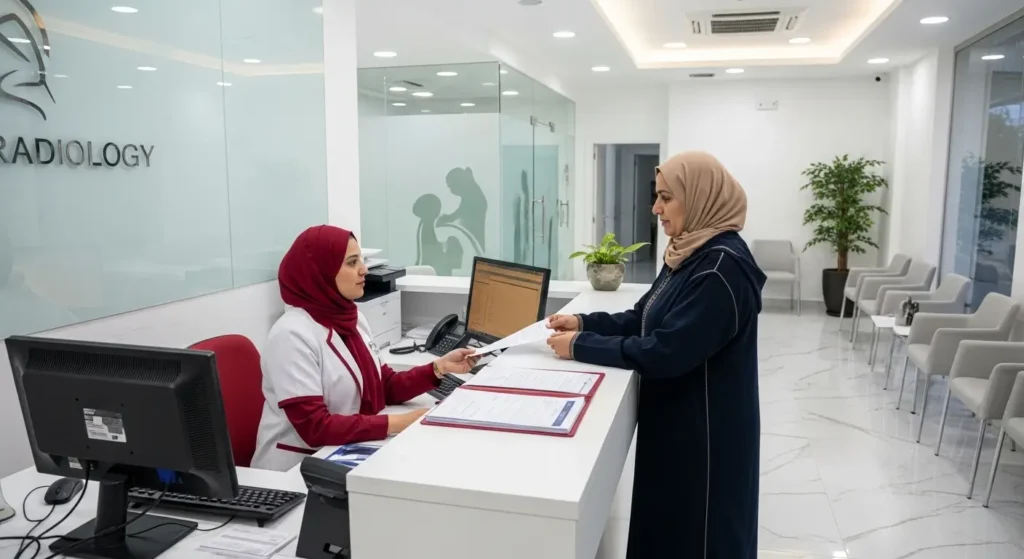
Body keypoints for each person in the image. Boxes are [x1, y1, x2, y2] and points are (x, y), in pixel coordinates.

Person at [546, 152, 765, 558]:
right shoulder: (690, 251)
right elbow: (643, 317)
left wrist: (581, 347)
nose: (655, 208)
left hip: (705, 439)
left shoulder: (722, 270)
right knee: (665, 531)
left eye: (666, 197)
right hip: (676, 426)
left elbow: (666, 351)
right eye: (656, 196)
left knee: (699, 538)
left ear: (699, 197)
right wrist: (583, 321)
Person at [252, 225, 477, 471]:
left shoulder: (352, 317)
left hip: (345, 450)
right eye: (351, 263)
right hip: (298, 468)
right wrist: (397, 423)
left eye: (361, 259)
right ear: (321, 272)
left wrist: (437, 368)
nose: (364, 270)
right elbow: (315, 427)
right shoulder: (291, 336)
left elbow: (384, 385)